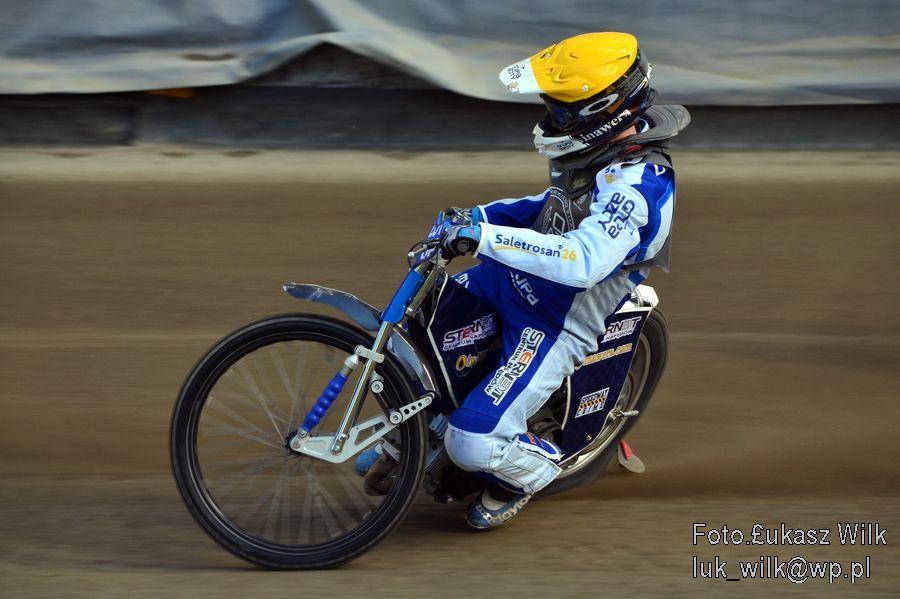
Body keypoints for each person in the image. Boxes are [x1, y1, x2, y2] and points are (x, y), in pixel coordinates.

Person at [437, 32, 690, 529]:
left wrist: (485, 237)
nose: (550, 117)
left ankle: (530, 474)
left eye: (560, 109)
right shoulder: (600, 156)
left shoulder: (638, 186)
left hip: (552, 324)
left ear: (600, 111)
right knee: (415, 337)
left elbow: (582, 261)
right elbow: (550, 206)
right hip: (504, 281)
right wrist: (477, 216)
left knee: (470, 443)